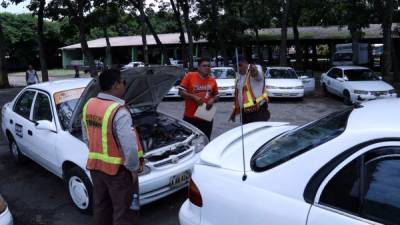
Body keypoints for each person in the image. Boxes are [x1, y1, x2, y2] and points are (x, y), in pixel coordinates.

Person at [81, 69, 144, 225]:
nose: (124, 85)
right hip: (118, 172)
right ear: (116, 85)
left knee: (102, 208)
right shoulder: (119, 111)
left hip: (96, 168)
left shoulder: (89, 104)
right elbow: (129, 148)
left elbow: (86, 137)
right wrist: (133, 168)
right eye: (123, 82)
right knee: (125, 213)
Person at [179, 58, 219, 140]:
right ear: (199, 67)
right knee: (189, 141)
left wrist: (212, 100)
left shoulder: (212, 80)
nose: (207, 67)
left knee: (205, 140)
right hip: (190, 117)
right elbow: (181, 92)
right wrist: (193, 97)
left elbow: (217, 95)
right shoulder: (190, 76)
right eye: (204, 66)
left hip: (206, 115)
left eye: (209, 66)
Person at [229, 57, 270, 124]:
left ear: (246, 63)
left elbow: (258, 75)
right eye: (235, 67)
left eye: (240, 65)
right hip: (245, 112)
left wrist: (254, 70)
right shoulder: (238, 76)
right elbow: (238, 95)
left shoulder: (254, 68)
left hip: (258, 111)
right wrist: (235, 111)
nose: (238, 68)